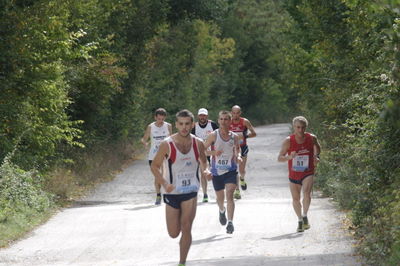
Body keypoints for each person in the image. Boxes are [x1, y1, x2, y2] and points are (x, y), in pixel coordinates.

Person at [151, 109, 211, 266]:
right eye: (181, 124)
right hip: (172, 192)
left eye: (187, 124)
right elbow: (155, 167)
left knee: (186, 227)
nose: (184, 127)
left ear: (192, 124)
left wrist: (206, 171)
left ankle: (182, 262)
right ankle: (181, 249)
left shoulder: (198, 143)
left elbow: (204, 161)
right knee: (173, 233)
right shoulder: (167, 144)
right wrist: (164, 183)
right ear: (176, 125)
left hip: (190, 190)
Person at [277, 116, 321, 232]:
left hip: (308, 171)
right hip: (294, 174)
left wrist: (316, 156)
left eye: (302, 127)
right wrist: (289, 157)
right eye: (298, 127)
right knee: (295, 199)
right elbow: (279, 158)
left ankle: (305, 215)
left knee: (306, 193)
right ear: (294, 127)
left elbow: (317, 147)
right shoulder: (288, 141)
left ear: (306, 127)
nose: (300, 130)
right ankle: (300, 220)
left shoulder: (311, 138)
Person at [204, 110, 242, 234]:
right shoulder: (213, 135)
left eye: (226, 119)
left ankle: (230, 222)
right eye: (221, 119)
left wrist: (239, 156)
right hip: (216, 171)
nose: (223, 121)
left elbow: (238, 150)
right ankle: (221, 211)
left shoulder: (234, 137)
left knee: (230, 194)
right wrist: (213, 153)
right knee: (220, 198)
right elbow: (202, 151)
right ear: (218, 120)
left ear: (230, 121)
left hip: (231, 170)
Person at [141, 108, 172, 205]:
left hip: (165, 154)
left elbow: (171, 139)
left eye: (162, 119)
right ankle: (158, 194)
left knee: (164, 175)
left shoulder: (168, 126)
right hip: (153, 155)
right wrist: (144, 143)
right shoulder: (151, 127)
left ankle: (166, 194)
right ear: (155, 117)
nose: (160, 121)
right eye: (159, 119)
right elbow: (144, 138)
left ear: (164, 118)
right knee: (157, 176)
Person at [191, 108, 218, 203]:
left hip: (212, 152)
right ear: (198, 116)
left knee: (216, 173)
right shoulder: (194, 126)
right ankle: (205, 194)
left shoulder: (213, 124)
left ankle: (218, 192)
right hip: (200, 153)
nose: (202, 117)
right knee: (203, 173)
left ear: (207, 116)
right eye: (201, 115)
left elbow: (218, 136)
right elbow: (191, 140)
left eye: (204, 115)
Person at [229, 105, 257, 199]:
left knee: (241, 170)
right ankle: (237, 191)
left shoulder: (244, 121)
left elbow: (254, 133)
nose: (235, 115)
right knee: (234, 171)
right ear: (231, 112)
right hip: (231, 149)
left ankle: (242, 179)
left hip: (243, 147)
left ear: (240, 113)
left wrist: (244, 136)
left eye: (237, 113)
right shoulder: (228, 121)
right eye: (233, 113)